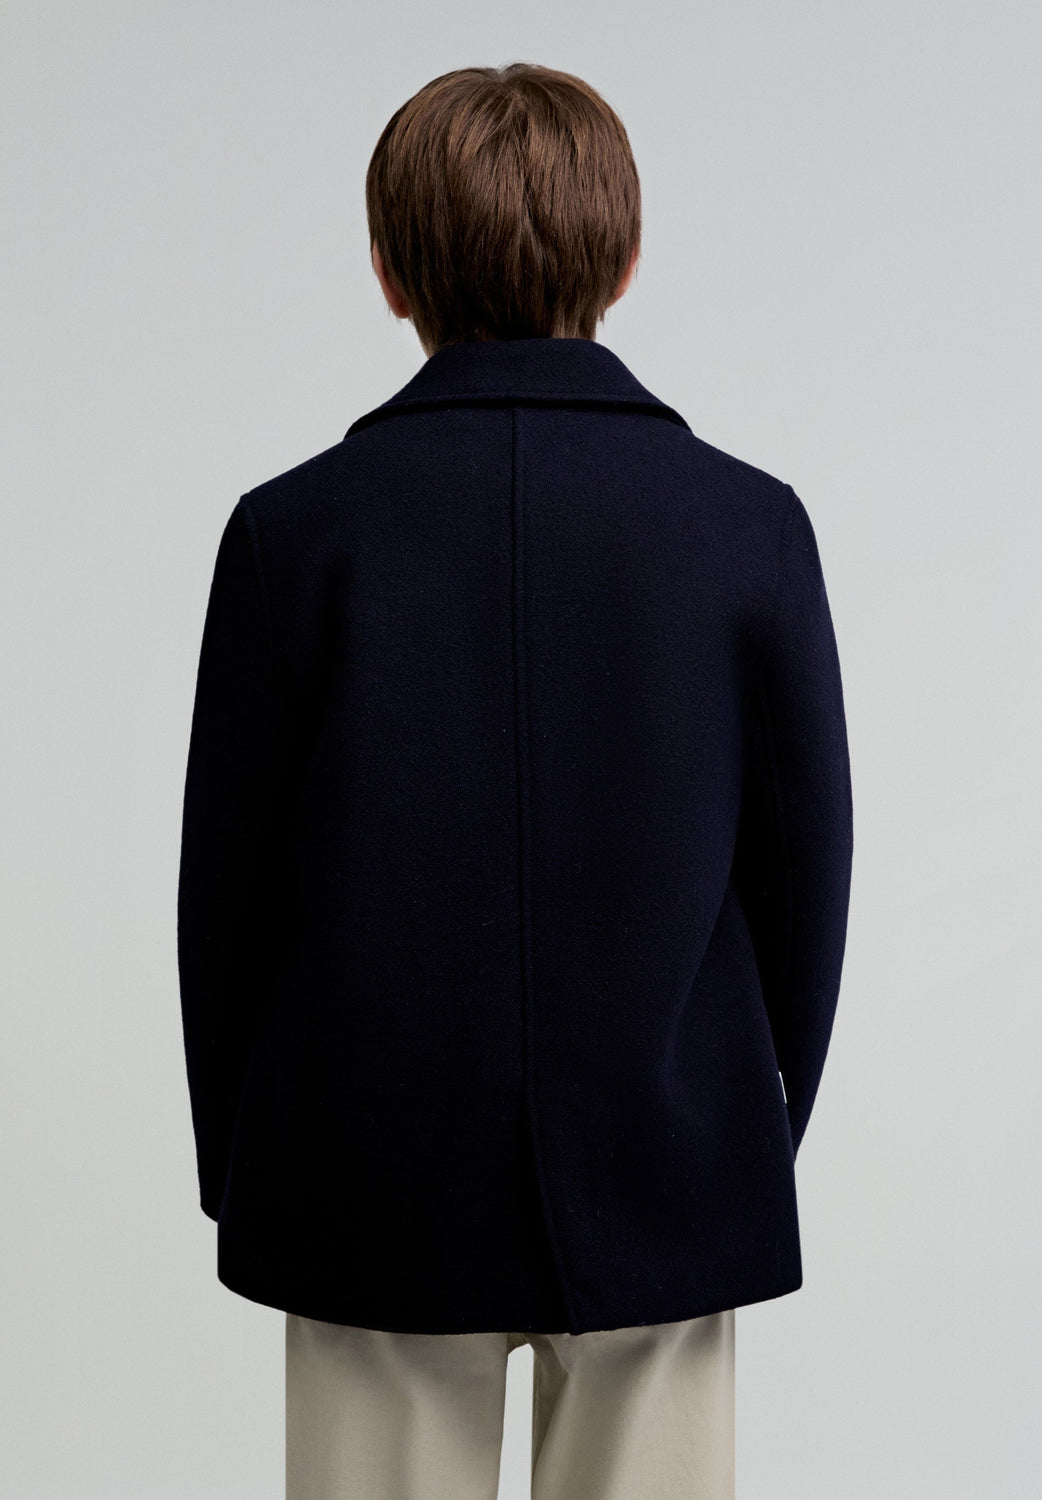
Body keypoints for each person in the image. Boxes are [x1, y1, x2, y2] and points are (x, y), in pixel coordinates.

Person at [177, 62, 854, 1500]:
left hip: (361, 1167)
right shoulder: (747, 527)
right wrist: (745, 1128)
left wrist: (243, 1160)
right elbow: (806, 883)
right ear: (626, 257)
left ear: (385, 269)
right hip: (668, 1155)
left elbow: (223, 897)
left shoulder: (294, 535)